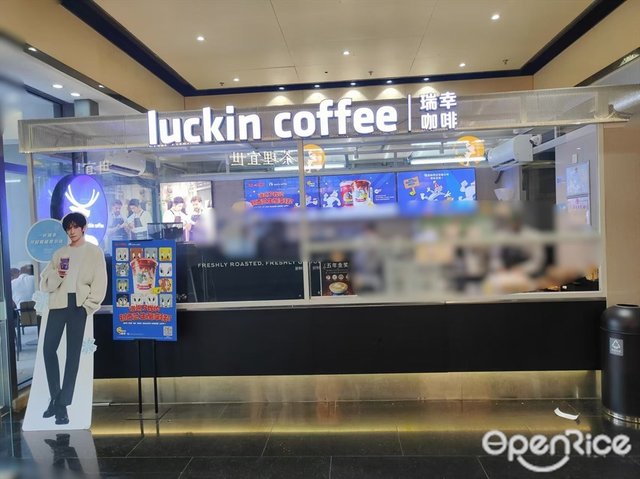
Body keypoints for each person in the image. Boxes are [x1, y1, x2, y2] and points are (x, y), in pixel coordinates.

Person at [40, 212, 107, 425]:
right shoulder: (59, 253)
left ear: (83, 228)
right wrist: (58, 275)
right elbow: (45, 283)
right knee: (48, 349)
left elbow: (100, 282)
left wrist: (88, 307)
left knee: (73, 354)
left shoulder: (94, 252)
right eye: (68, 227)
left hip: (78, 305)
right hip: (58, 304)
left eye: (75, 226)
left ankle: (62, 405)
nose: (71, 231)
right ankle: (55, 397)